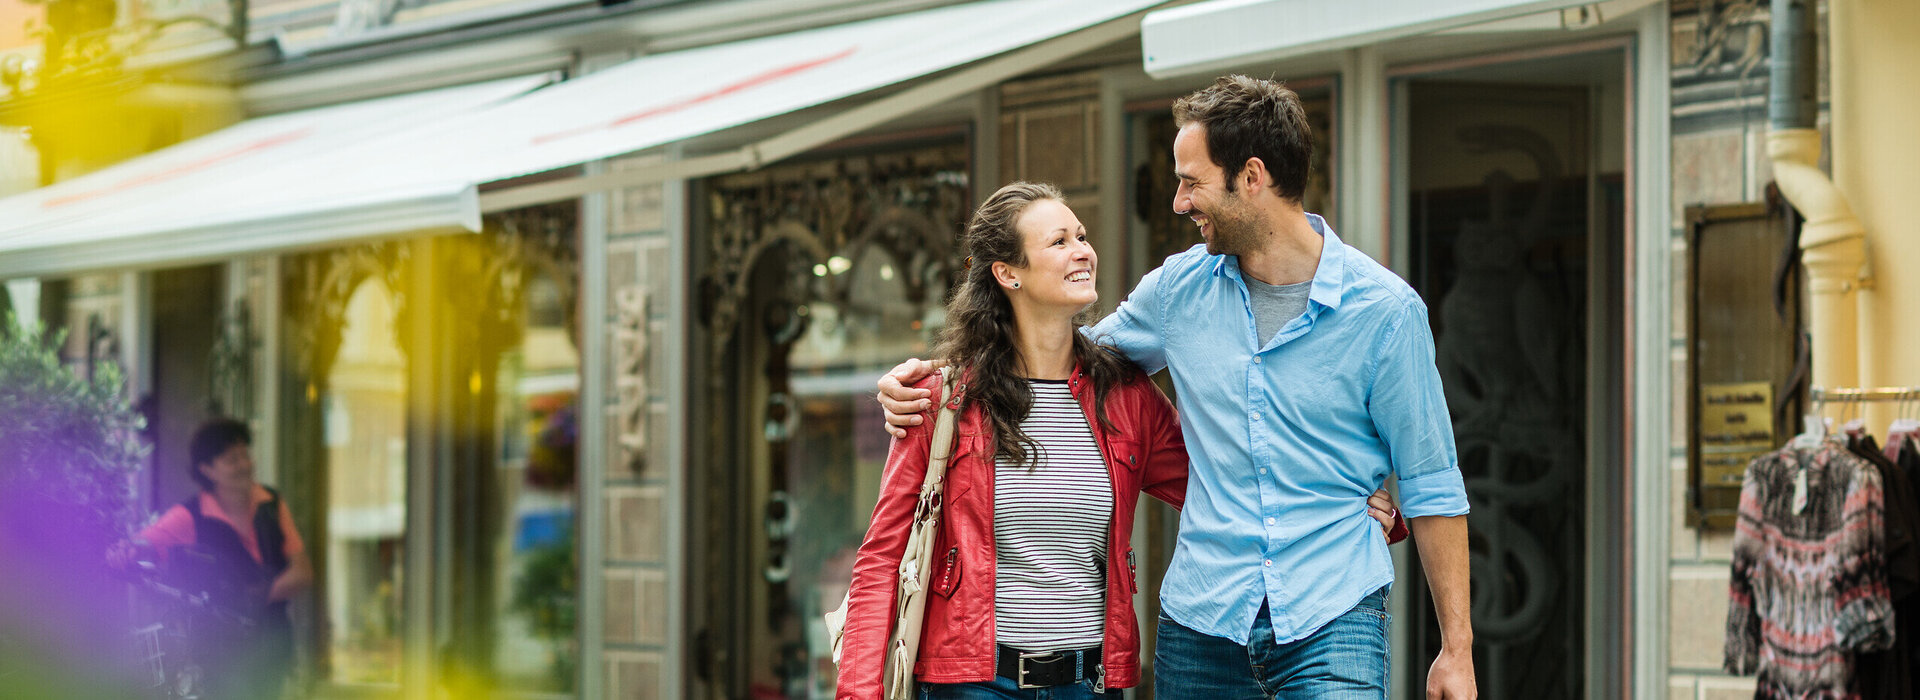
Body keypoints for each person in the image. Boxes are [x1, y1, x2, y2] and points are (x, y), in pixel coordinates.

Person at [879, 76, 1476, 699]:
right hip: (1203, 623)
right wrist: (940, 381)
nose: (1179, 201)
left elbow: (1433, 481)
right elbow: (1060, 356)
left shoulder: (1385, 313)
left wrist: (1455, 649)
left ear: (1251, 178)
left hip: (1333, 614)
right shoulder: (1178, 291)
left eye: (1192, 181)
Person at [839, 182, 1400, 700]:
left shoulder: (1125, 398)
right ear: (1007, 273)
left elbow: (1230, 481)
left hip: (1088, 683)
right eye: (1059, 241)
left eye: (1082, 236)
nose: (1082, 250)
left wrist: (1349, 503)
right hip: (972, 682)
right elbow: (882, 558)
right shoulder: (942, 400)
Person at [136, 418, 311, 700]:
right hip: (222, 652)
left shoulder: (272, 503)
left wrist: (257, 596)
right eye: (232, 459)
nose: (244, 465)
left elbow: (303, 572)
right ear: (207, 470)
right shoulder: (190, 515)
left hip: (273, 641)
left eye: (245, 455)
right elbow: (142, 544)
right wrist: (123, 552)